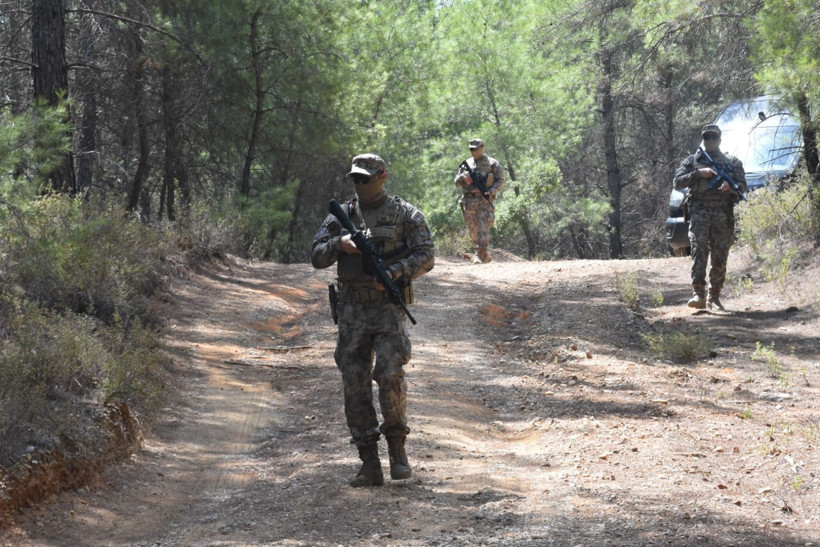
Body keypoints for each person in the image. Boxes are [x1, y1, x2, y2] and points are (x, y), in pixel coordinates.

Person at [311, 153, 435, 487]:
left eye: (366, 178)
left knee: (390, 376)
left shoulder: (405, 213)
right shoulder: (343, 215)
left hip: (386, 310)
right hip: (351, 312)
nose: (360, 184)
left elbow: (426, 255)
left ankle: (397, 452)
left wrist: (395, 272)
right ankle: (369, 463)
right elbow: (317, 256)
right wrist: (342, 244)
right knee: (354, 384)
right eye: (355, 179)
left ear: (383, 176)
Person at [672, 124, 746, 311]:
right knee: (699, 249)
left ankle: (715, 296)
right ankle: (698, 293)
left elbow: (742, 185)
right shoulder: (693, 161)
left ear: (720, 139)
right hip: (699, 210)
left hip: (722, 213)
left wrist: (731, 188)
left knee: (720, 253)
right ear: (703, 140)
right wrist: (699, 173)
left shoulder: (732, 161)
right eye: (707, 137)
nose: (711, 141)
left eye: (714, 137)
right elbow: (678, 182)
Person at [455, 138, 504, 263]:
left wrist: (491, 191)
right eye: (471, 149)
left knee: (483, 228)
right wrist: (463, 177)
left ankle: (479, 254)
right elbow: (456, 182)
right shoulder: (467, 163)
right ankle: (484, 255)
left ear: (482, 147)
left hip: (484, 200)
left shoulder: (492, 163)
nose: (473, 151)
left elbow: (500, 180)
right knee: (473, 229)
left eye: (475, 149)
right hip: (469, 201)